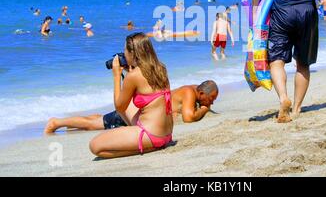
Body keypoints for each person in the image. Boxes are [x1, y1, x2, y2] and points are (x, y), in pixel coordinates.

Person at [89, 33, 173, 158]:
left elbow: (119, 107)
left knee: (95, 146)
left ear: (132, 53)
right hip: (167, 134)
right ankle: (152, 143)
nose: (123, 53)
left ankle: (150, 147)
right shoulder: (160, 68)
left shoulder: (133, 76)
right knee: (127, 105)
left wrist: (117, 75)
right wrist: (130, 71)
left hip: (151, 135)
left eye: (125, 50)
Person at [44, 80, 219, 133]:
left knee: (102, 119)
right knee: (95, 125)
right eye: (210, 99)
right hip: (136, 114)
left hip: (138, 110)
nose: (211, 103)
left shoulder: (190, 90)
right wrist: (203, 110)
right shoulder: (190, 93)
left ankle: (70, 124)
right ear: (201, 93)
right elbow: (189, 118)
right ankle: (56, 123)